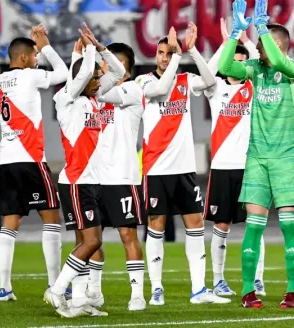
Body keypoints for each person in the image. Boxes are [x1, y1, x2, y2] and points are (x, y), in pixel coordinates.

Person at [218, 0, 294, 309]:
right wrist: (234, 34)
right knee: (253, 227)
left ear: (278, 44)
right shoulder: (256, 68)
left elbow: (280, 61)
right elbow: (224, 66)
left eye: (261, 45)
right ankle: (247, 291)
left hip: (287, 157)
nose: (256, 50)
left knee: (287, 225)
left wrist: (262, 30)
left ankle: (293, 290)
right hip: (257, 156)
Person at [137, 24, 228, 306]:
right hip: (157, 169)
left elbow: (211, 80)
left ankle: (199, 289)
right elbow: (163, 89)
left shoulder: (186, 80)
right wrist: (179, 55)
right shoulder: (144, 83)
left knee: (195, 223)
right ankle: (156, 288)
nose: (164, 58)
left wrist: (192, 51)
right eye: (161, 53)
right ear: (155, 56)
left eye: (169, 53)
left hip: (185, 169)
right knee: (157, 225)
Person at [44, 25, 125, 318]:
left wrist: (100, 47)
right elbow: (83, 72)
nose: (101, 79)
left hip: (91, 181)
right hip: (76, 182)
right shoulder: (66, 100)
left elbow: (117, 73)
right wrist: (87, 48)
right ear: (84, 77)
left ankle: (78, 301)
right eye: (96, 76)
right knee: (93, 241)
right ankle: (56, 291)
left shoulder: (93, 99)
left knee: (84, 242)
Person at [0, 26, 69, 302]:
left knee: (9, 224)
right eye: (34, 55)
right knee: (52, 218)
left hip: (7, 161)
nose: (37, 59)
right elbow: (64, 74)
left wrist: (39, 49)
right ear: (24, 58)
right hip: (32, 159)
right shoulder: (30, 75)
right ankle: (54, 285)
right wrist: (46, 45)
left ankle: (4, 287)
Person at [76, 42, 145, 311]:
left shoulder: (131, 90)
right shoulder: (94, 96)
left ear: (126, 69)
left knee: (128, 235)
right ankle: (94, 292)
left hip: (122, 177)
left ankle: (137, 294)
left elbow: (101, 92)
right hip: (93, 177)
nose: (107, 68)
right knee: (88, 239)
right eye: (105, 63)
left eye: (116, 63)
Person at [203, 18, 266, 297]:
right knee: (222, 225)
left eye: (244, 62)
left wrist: (244, 38)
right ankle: (218, 279)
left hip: (251, 166)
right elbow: (209, 69)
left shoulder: (255, 89)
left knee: (257, 223)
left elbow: (261, 62)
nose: (240, 66)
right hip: (222, 166)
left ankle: (258, 279)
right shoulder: (214, 88)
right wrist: (228, 42)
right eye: (235, 61)